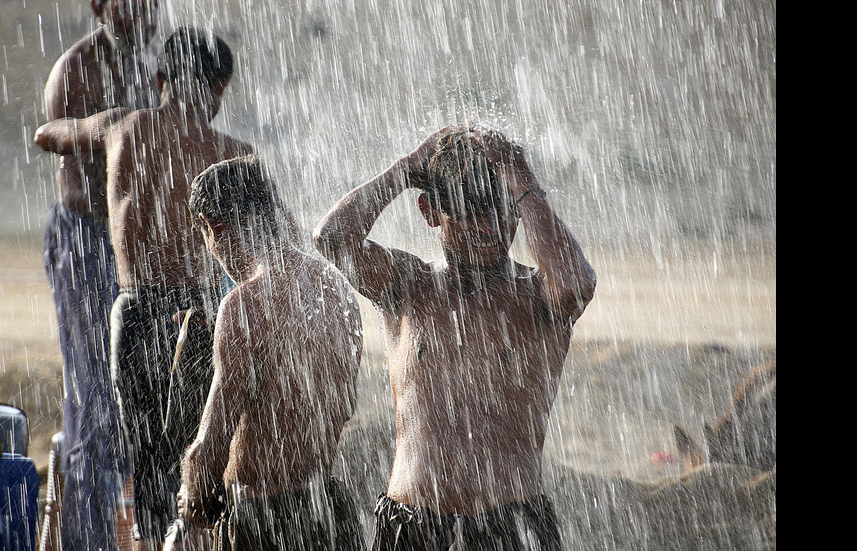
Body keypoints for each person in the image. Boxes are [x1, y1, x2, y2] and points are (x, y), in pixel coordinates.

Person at [313, 125, 597, 551]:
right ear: (430, 212)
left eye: (500, 209)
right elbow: (332, 238)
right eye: (467, 211)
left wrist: (518, 173)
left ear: (518, 211)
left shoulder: (538, 297)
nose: (486, 227)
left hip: (510, 524)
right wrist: (405, 169)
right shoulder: (409, 286)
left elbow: (576, 285)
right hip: (412, 524)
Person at [162, 155, 365, 551]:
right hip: (327, 511)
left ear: (213, 227)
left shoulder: (243, 305)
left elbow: (207, 452)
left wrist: (187, 516)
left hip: (263, 518)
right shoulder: (335, 288)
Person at [36, 1, 162, 549]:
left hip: (141, 245)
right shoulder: (79, 69)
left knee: (153, 400)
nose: (145, 8)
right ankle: (88, 541)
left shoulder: (162, 61)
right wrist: (109, 130)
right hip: (88, 241)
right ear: (99, 6)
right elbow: (52, 136)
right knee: (96, 406)